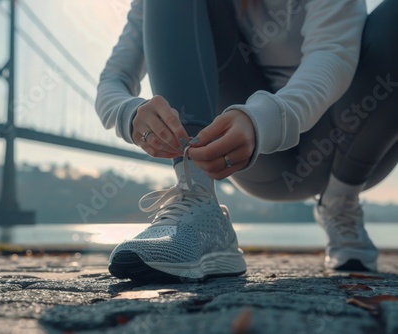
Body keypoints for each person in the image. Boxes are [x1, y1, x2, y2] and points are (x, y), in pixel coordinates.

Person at [95, 0, 398, 282]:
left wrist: (264, 120)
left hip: (352, 144)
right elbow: (113, 80)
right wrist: (129, 114)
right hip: (260, 160)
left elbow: (333, 54)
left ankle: (341, 205)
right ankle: (199, 203)